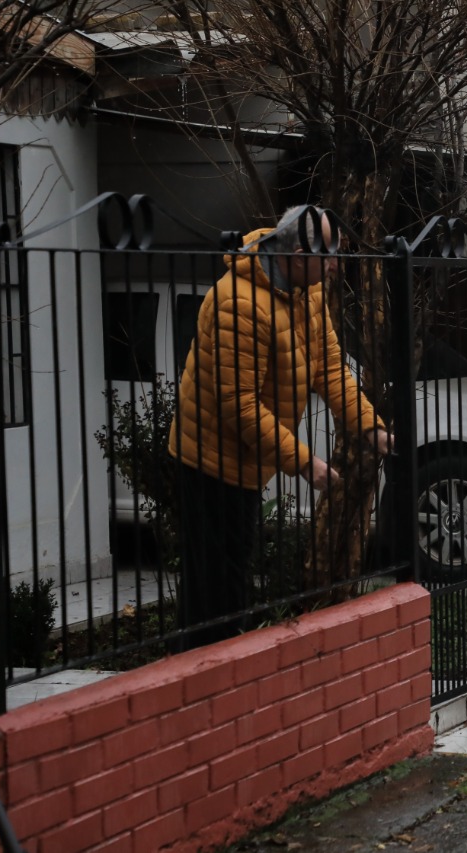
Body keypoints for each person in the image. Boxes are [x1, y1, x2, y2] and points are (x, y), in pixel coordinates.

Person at [168, 205, 393, 649]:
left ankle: (211, 676)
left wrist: (371, 427)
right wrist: (306, 463)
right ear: (294, 254)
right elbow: (239, 405)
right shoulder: (238, 302)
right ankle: (200, 682)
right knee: (214, 596)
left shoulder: (305, 294)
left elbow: (330, 370)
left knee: (228, 587)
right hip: (207, 463)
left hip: (246, 465)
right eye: (326, 254)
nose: (334, 266)